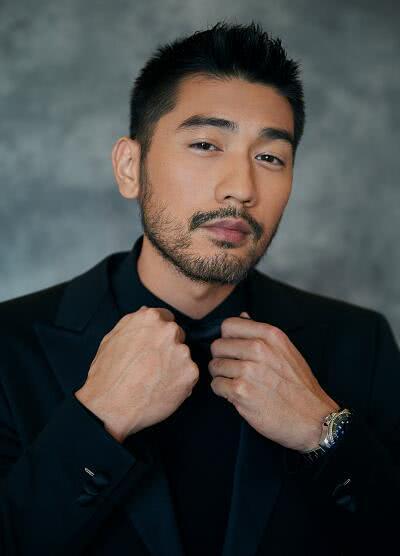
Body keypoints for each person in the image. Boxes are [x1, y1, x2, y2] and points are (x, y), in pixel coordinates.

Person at [0, 20, 399, 556]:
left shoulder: (361, 343)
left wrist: (324, 433)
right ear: (130, 167)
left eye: (269, 157)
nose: (241, 189)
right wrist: (96, 422)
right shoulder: (9, 346)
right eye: (206, 144)